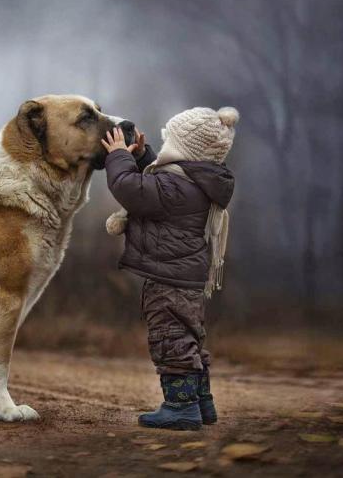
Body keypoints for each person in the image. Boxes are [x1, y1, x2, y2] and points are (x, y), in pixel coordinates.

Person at [100, 107, 239, 430]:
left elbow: (129, 188)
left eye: (168, 143)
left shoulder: (176, 188)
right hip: (185, 276)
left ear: (185, 150)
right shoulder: (193, 182)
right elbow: (157, 180)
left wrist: (118, 157)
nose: (163, 150)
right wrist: (141, 156)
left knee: (170, 338)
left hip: (168, 279)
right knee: (189, 338)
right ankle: (202, 403)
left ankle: (180, 408)